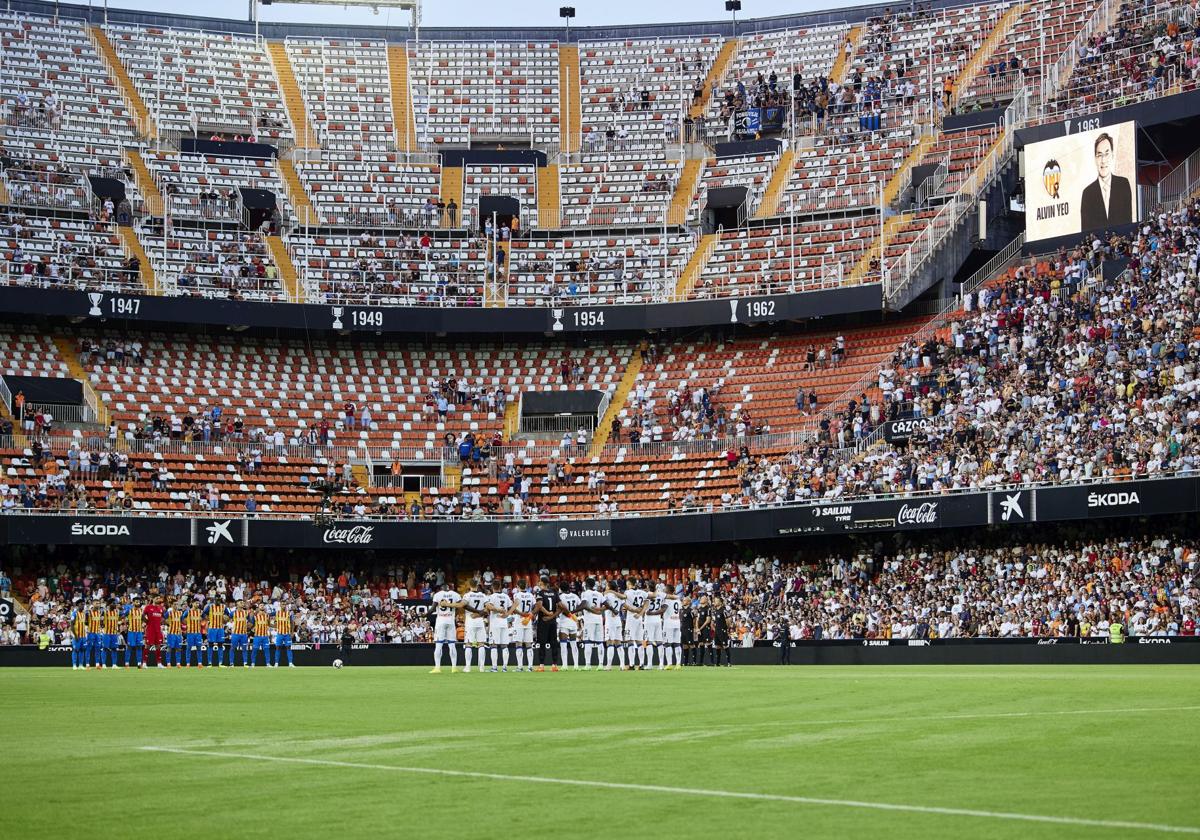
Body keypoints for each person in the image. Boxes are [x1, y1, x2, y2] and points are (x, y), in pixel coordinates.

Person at [1079, 132, 1133, 231]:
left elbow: (1128, 219)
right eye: (1099, 155)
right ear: (1095, 158)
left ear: (1112, 155)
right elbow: (1085, 230)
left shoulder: (1123, 184)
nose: (1103, 160)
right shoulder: (1087, 193)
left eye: (1107, 154)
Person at [429, 582, 462, 673]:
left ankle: (437, 668)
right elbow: (460, 606)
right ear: (449, 587)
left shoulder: (438, 595)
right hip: (451, 621)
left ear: (441, 588)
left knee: (439, 644)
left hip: (441, 621)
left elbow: (432, 609)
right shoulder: (455, 594)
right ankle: (454, 667)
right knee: (452, 644)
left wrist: (425, 615)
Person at [533, 575, 561, 672]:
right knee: (554, 643)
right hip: (553, 622)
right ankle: (554, 665)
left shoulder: (540, 593)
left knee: (542, 643)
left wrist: (548, 613)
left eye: (539, 581)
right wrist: (552, 616)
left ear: (541, 583)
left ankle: (541, 666)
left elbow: (539, 606)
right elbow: (561, 606)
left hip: (543, 621)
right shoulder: (554, 593)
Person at [461, 579, 489, 673]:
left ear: (469, 585)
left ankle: (468, 667)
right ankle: (482, 667)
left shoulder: (467, 595)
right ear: (477, 585)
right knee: (481, 644)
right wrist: (481, 612)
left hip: (470, 621)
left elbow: (463, 605)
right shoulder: (483, 595)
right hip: (480, 621)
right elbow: (487, 608)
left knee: (468, 644)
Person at [485, 581, 512, 672]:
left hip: (495, 623)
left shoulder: (492, 597)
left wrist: (498, 610)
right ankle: (504, 668)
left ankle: (494, 667)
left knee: (494, 645)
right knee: (504, 645)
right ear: (500, 587)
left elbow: (490, 607)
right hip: (504, 623)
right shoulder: (506, 596)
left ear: (492, 587)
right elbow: (512, 607)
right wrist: (507, 614)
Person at [578, 577, 605, 669]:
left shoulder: (585, 593)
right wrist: (600, 610)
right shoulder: (599, 594)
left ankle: (588, 665)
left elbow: (584, 604)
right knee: (600, 642)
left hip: (589, 620)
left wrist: (573, 611)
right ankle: (601, 665)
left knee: (588, 642)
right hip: (599, 619)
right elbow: (606, 604)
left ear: (586, 585)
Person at [511, 580, 536, 672]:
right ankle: (530, 667)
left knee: (519, 643)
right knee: (529, 644)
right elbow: (535, 606)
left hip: (519, 620)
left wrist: (521, 613)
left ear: (517, 586)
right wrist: (531, 614)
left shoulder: (516, 595)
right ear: (526, 586)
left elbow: (514, 608)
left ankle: (520, 667)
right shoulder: (531, 595)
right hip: (528, 620)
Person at [622, 579, 647, 670]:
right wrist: (640, 613)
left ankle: (631, 665)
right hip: (639, 618)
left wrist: (630, 609)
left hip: (631, 618)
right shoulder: (642, 592)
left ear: (629, 583)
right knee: (639, 642)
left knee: (630, 641)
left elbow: (623, 603)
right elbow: (647, 601)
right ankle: (641, 664)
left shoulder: (627, 592)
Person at [558, 582, 581, 670]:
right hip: (573, 621)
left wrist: (568, 613)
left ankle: (565, 665)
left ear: (561, 588)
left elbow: (561, 608)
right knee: (573, 644)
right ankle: (576, 665)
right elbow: (580, 605)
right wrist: (573, 613)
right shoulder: (575, 596)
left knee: (563, 644)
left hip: (564, 622)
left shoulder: (561, 597)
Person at [601, 580, 624, 671]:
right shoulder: (619, 596)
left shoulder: (607, 595)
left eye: (607, 585)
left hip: (610, 621)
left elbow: (605, 605)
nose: (606, 587)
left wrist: (598, 609)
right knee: (618, 643)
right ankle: (622, 665)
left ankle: (609, 665)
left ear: (609, 587)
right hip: (618, 620)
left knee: (609, 643)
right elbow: (622, 607)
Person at [643, 583, 667, 670]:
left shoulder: (646, 595)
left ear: (648, 587)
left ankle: (649, 664)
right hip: (658, 620)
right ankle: (661, 664)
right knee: (659, 642)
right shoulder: (660, 595)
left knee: (649, 642)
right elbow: (664, 607)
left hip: (649, 620)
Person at [663, 587, 683, 669]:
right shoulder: (678, 600)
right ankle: (678, 664)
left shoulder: (666, 600)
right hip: (677, 623)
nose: (664, 590)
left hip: (668, 623)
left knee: (668, 644)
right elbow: (680, 612)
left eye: (665, 589)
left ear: (668, 591)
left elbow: (663, 609)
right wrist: (680, 621)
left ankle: (669, 664)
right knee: (677, 644)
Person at [124, 597, 146, 669]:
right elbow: (122, 616)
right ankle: (127, 663)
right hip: (131, 632)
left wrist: (146, 623)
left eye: (138, 602)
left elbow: (144, 619)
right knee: (129, 647)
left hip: (139, 632)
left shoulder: (141, 611)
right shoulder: (129, 610)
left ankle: (139, 663)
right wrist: (125, 624)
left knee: (139, 647)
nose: (137, 603)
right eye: (136, 602)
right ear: (133, 603)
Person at [143, 596, 165, 668]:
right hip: (150, 630)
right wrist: (147, 622)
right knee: (147, 645)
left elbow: (162, 618)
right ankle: (144, 663)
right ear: (153, 599)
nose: (158, 599)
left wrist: (160, 623)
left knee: (158, 646)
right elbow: (142, 616)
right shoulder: (148, 607)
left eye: (159, 598)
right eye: (156, 598)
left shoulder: (160, 609)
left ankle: (159, 664)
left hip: (158, 630)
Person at [227, 600, 250, 667]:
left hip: (244, 634)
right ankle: (231, 663)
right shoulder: (232, 613)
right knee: (232, 648)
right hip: (235, 634)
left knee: (244, 648)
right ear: (237, 604)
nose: (242, 604)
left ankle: (245, 663)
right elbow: (228, 620)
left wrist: (247, 628)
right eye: (241, 603)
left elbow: (249, 622)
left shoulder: (246, 612)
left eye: (243, 602)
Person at [206, 597, 227, 667]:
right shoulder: (210, 607)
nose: (218, 601)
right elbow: (204, 614)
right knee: (211, 644)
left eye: (219, 600)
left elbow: (228, 615)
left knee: (220, 645)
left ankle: (220, 663)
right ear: (214, 600)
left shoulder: (223, 607)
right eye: (216, 600)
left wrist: (225, 619)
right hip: (212, 628)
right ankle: (209, 663)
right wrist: (209, 620)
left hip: (220, 629)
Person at [185, 601, 206, 667]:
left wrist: (202, 619)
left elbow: (205, 618)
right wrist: (187, 624)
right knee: (189, 648)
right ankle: (188, 663)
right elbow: (182, 618)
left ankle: (199, 663)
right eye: (196, 603)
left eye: (198, 603)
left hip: (198, 633)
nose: (197, 604)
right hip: (190, 632)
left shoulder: (200, 612)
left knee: (199, 648)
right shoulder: (188, 612)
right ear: (192, 603)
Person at [103, 599, 122, 669]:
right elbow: (101, 621)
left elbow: (118, 619)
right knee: (105, 648)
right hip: (107, 633)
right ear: (109, 604)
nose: (115, 604)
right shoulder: (105, 612)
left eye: (115, 603)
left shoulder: (117, 611)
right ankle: (104, 664)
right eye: (113, 603)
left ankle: (114, 665)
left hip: (114, 633)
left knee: (114, 649)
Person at [69, 600, 88, 670]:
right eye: (81, 605)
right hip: (77, 636)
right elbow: (71, 625)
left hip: (83, 635)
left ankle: (80, 665)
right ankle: (74, 665)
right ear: (78, 605)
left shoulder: (83, 614)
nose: (83, 606)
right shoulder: (74, 613)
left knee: (82, 650)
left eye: (83, 604)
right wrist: (75, 635)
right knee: (75, 650)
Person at [165, 601, 185, 668]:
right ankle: (168, 663)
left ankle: (178, 663)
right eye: (174, 604)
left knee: (178, 648)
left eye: (177, 604)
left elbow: (183, 621)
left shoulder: (180, 613)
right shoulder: (169, 613)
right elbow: (163, 619)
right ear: (172, 605)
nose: (176, 605)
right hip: (171, 633)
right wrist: (167, 623)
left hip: (178, 633)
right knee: (169, 648)